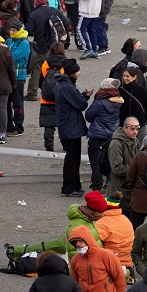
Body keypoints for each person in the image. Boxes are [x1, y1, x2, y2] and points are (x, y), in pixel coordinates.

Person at [55, 58, 89, 196]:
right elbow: (81, 104)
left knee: (73, 158)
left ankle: (75, 185)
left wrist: (82, 96)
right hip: (71, 128)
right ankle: (68, 187)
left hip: (67, 126)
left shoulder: (62, 85)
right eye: (77, 71)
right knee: (72, 159)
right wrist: (84, 97)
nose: (79, 73)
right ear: (71, 72)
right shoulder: (67, 87)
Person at [69, 225, 127, 292]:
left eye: (80, 241)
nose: (78, 244)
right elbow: (75, 282)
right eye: (75, 242)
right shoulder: (75, 260)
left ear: (87, 239)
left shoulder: (106, 255)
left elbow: (119, 278)